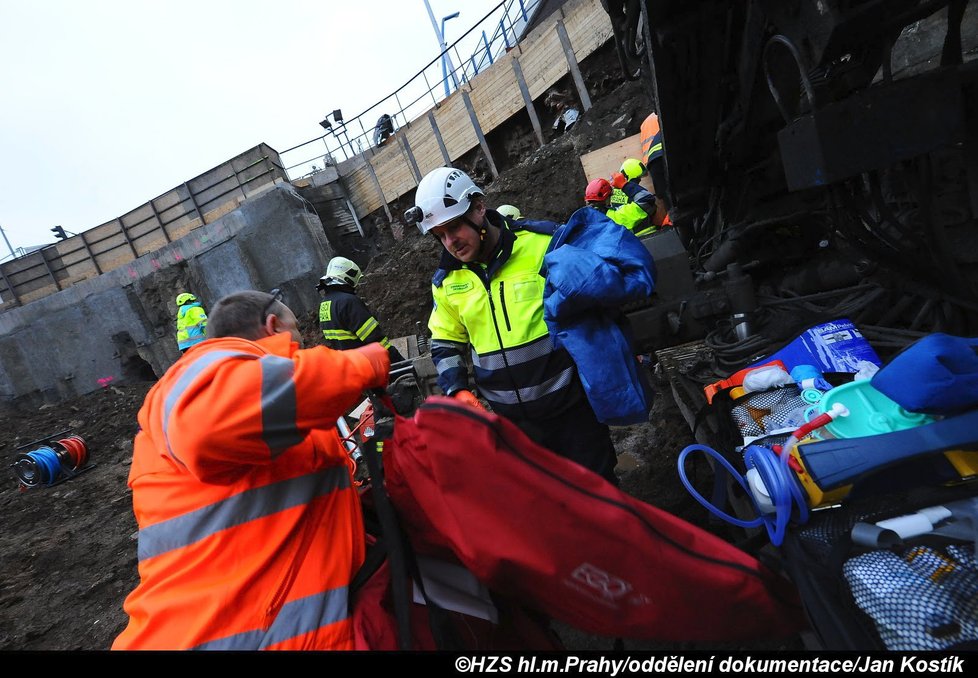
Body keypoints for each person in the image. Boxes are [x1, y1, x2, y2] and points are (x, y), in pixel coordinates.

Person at [112, 289, 391, 650]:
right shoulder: (200, 373)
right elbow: (207, 427)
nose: (302, 350)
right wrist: (365, 363)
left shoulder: (247, 400)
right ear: (273, 327)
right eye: (298, 338)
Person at [410, 166, 625, 484]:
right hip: (513, 425)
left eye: (454, 227)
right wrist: (456, 389)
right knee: (549, 507)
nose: (450, 242)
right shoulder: (446, 282)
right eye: (439, 235)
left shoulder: (542, 244)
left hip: (572, 412)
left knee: (602, 496)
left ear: (479, 207)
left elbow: (595, 298)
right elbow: (444, 340)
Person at [318, 256, 405, 364]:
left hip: (347, 366)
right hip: (366, 365)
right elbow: (374, 338)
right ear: (348, 278)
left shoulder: (324, 304)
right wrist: (400, 362)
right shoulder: (348, 301)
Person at [584, 177, 655, 237]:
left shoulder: (586, 226)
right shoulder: (615, 217)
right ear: (608, 197)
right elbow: (646, 200)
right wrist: (624, 184)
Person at [608, 158, 659, 236]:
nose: (639, 181)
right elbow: (647, 202)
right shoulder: (628, 192)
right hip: (644, 232)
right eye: (638, 179)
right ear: (629, 178)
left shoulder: (615, 193)